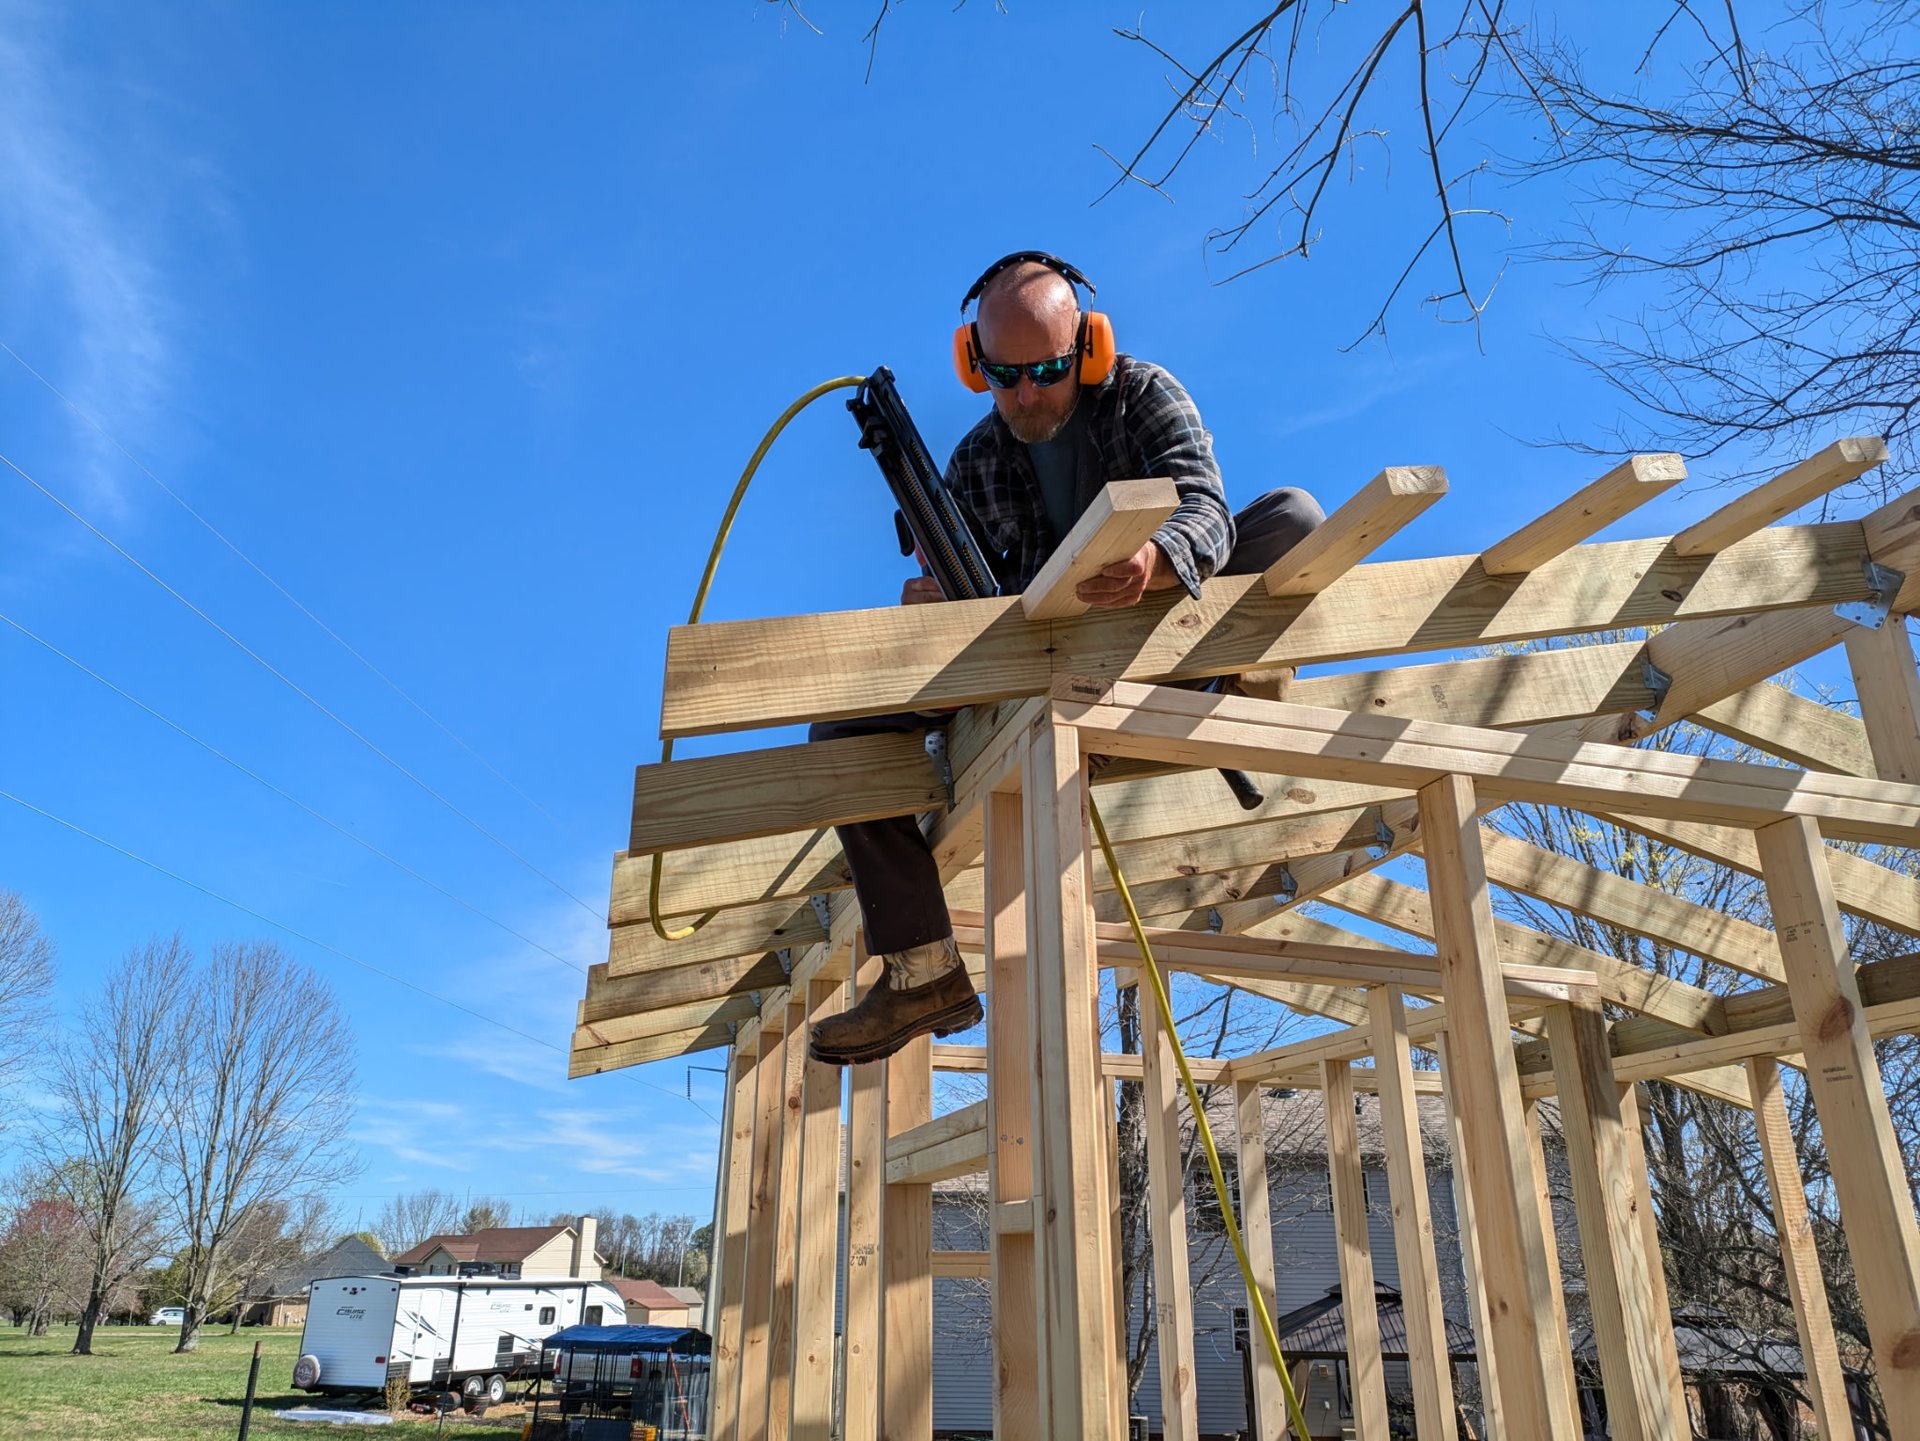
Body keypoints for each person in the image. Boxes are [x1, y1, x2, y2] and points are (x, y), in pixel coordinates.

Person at [808, 251, 1324, 1067]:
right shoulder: (974, 461)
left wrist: (1158, 557)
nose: (1027, 394)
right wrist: (941, 611)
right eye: (1006, 377)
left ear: (1088, 349)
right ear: (975, 367)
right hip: (1034, 669)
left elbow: (1206, 503)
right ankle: (922, 969)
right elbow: (967, 601)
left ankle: (1238, 681)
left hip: (1158, 638)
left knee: (1294, 520)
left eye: (1048, 371)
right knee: (839, 736)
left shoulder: (1143, 394)